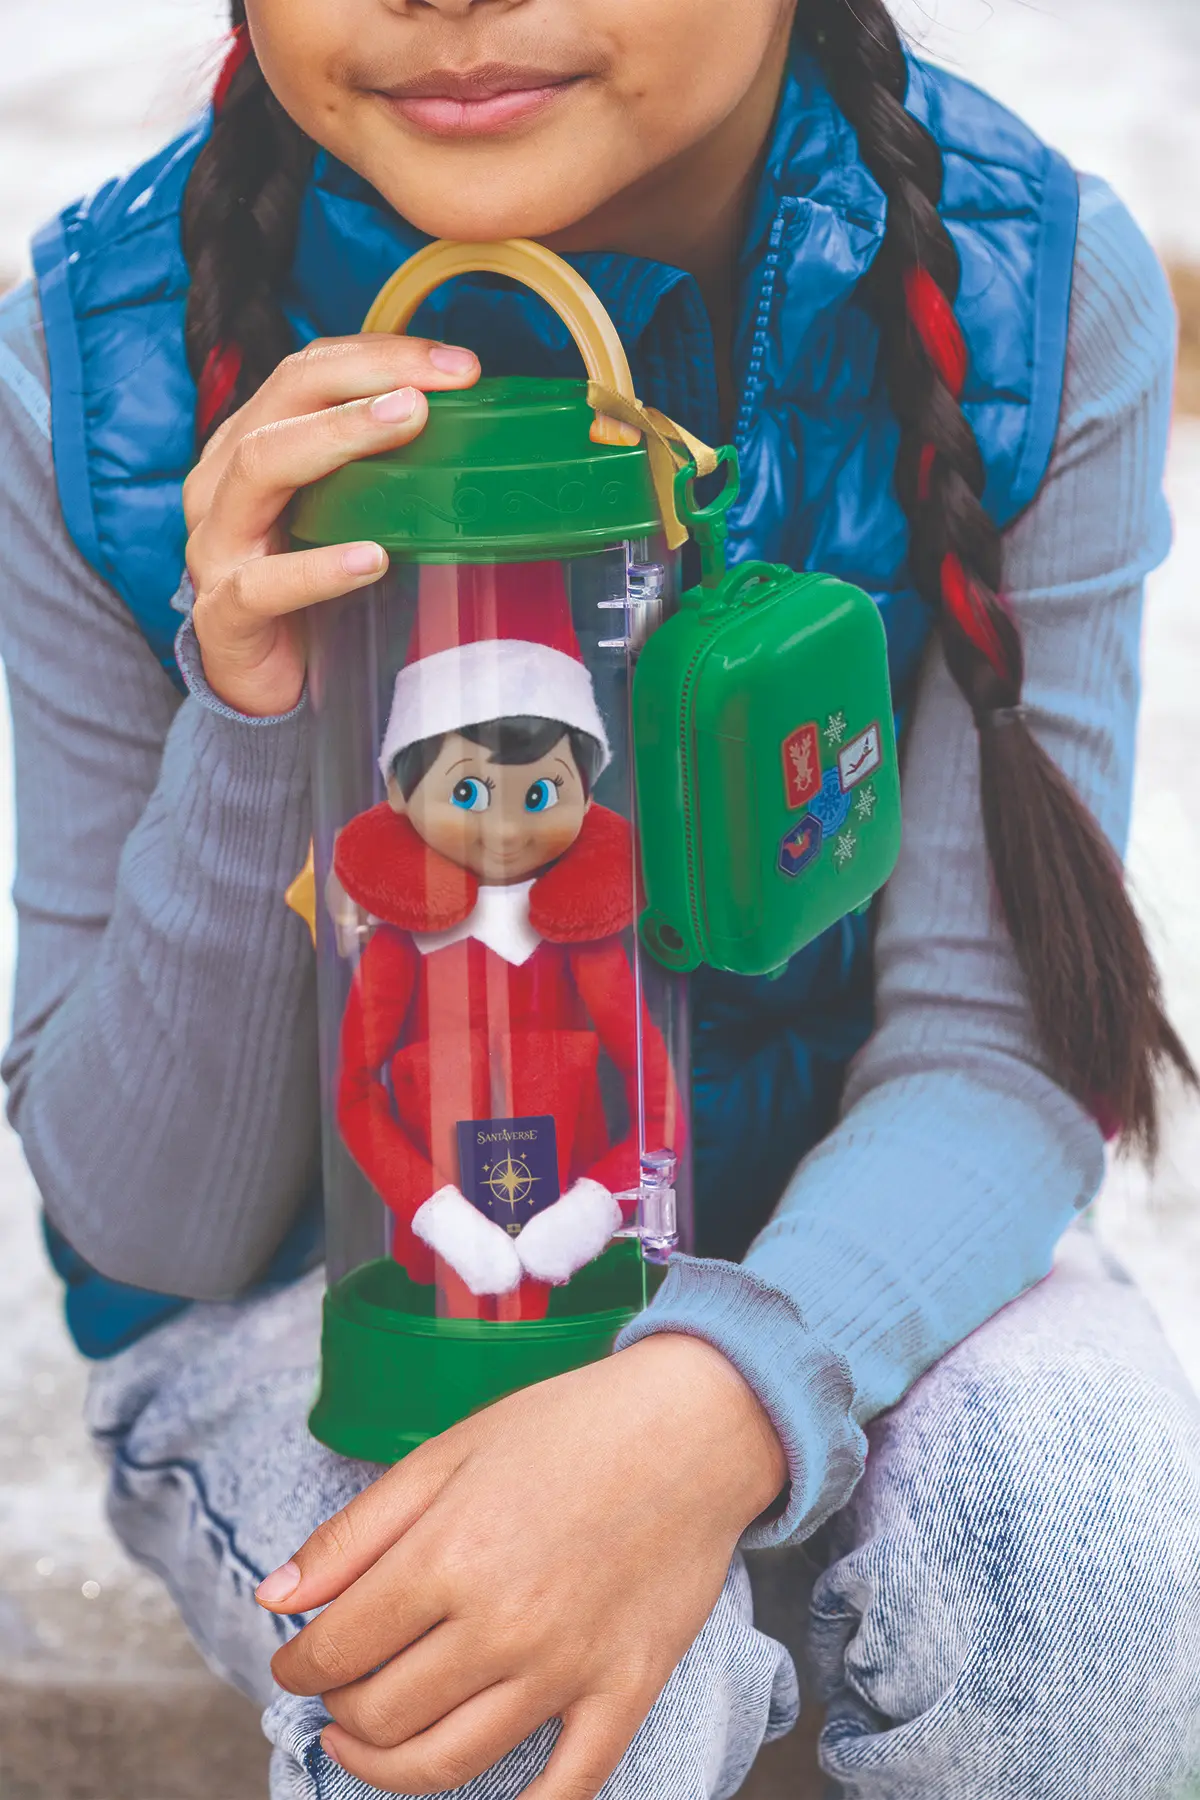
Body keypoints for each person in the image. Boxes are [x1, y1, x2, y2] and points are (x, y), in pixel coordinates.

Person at [1, 1, 1199, 1796]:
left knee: (1100, 1562)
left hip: (856, 1222)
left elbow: (991, 1047)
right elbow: (152, 1225)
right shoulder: (99, 370)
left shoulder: (1025, 290)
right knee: (503, 1704)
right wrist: (258, 718)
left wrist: (707, 1405)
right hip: (332, 1311)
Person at [333, 559, 679, 1318]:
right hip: (437, 1274)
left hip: (579, 1281)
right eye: (467, 792)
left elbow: (659, 1099)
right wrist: (440, 1215)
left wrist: (594, 1209)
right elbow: (356, 1097)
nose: (506, 827)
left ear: (587, 791)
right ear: (398, 790)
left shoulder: (583, 942)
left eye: (542, 793)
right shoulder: (402, 948)